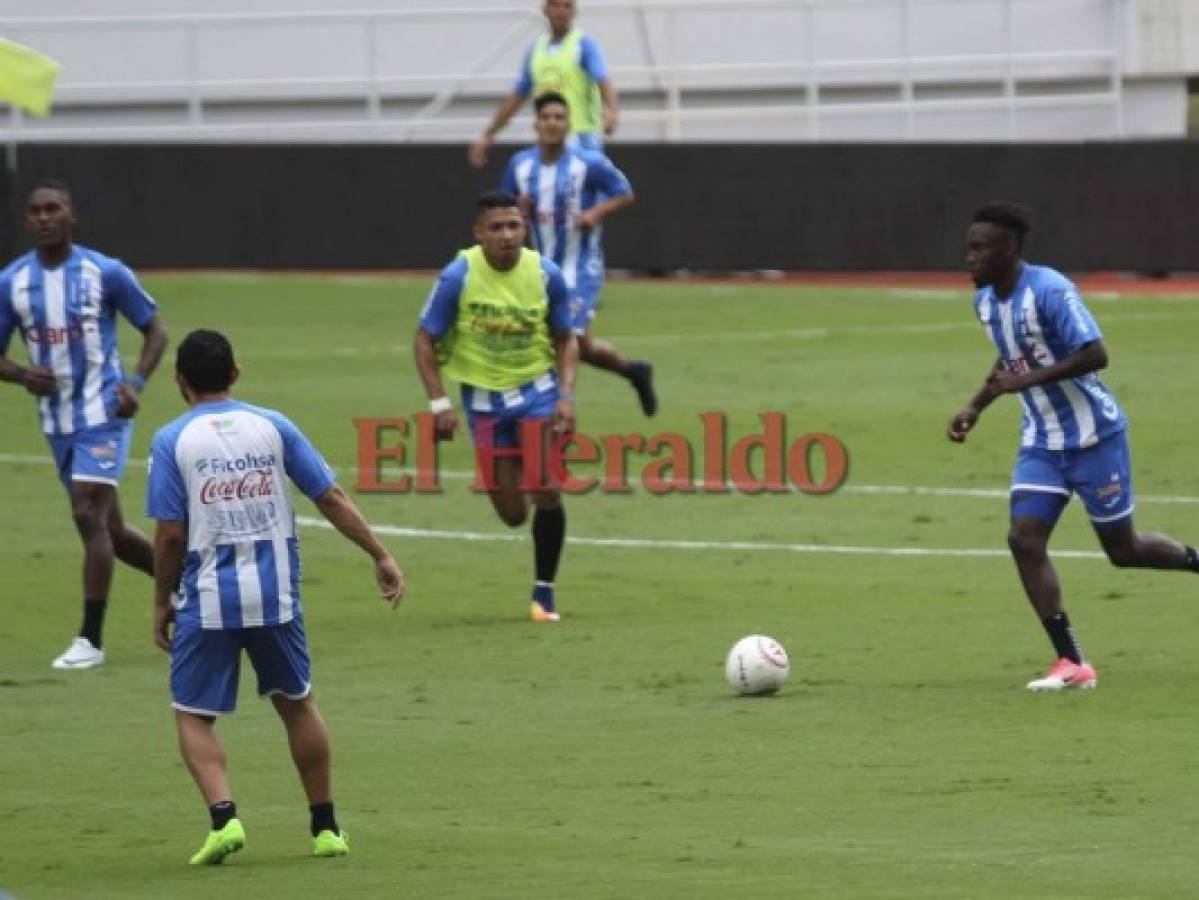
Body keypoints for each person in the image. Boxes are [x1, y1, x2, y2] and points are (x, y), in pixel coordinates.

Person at [146, 329, 405, 865]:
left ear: (179, 381)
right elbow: (329, 496)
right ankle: (326, 827)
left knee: (192, 715)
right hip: (277, 596)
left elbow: (170, 534)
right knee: (297, 704)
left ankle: (224, 819)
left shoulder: (172, 440)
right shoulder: (273, 426)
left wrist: (160, 600)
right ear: (236, 374)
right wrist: (379, 553)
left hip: (208, 598)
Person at [947, 203, 1199, 692]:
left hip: (1094, 438)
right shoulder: (984, 302)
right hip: (1041, 440)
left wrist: (1027, 381)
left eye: (980, 248)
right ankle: (1071, 661)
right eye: (968, 246)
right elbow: (1012, 353)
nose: (969, 257)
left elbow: (1095, 353)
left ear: (1010, 250)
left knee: (1123, 551)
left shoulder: (1051, 290)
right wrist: (976, 406)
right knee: (1024, 539)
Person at [0, 178, 168, 670]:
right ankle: (192, 584)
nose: (45, 218)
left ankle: (90, 640)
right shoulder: (13, 283)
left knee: (85, 513)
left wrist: (135, 382)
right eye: (36, 211)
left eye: (54, 209)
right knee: (110, 532)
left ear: (72, 215)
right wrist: (21, 374)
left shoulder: (106, 273)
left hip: (105, 414)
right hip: (57, 422)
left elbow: (154, 328)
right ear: (27, 221)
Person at [414, 190, 578, 622]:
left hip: (537, 393)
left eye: (514, 226)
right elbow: (424, 339)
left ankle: (544, 592)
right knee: (510, 515)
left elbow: (565, 338)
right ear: (479, 234)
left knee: (545, 488)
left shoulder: (545, 274)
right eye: (497, 228)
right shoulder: (457, 276)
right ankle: (524, 470)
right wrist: (438, 403)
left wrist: (566, 395)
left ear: (524, 228)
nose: (507, 235)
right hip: (483, 405)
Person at [501, 92, 655, 415]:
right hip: (541, 266)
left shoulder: (588, 163)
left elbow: (624, 192)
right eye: (546, 118)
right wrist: (518, 209)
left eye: (559, 118)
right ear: (536, 124)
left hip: (581, 266)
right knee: (580, 346)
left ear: (568, 124)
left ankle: (559, 408)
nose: (552, 123)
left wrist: (595, 214)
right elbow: (503, 208)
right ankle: (633, 371)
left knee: (564, 334)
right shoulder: (520, 165)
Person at [469, 0, 618, 167]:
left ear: (574, 12)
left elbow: (603, 80)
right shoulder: (536, 51)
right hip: (549, 141)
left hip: (582, 139)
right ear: (544, 10)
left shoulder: (584, 46)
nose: (561, 11)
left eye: (567, 6)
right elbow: (517, 95)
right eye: (555, 5)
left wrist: (611, 111)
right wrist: (489, 134)